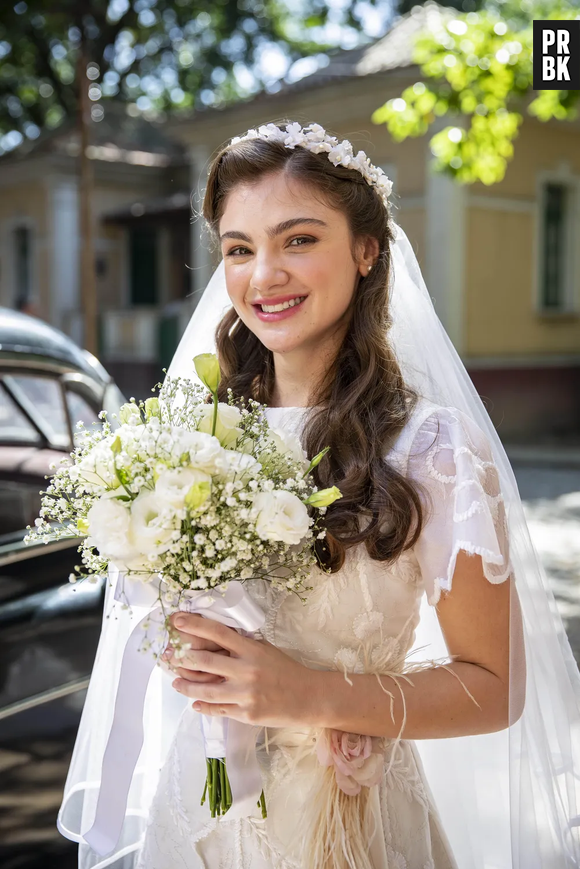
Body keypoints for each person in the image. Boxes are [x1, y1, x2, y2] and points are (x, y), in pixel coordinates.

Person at [59, 121, 580, 869]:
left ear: (368, 250)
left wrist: (309, 693)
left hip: (350, 822)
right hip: (200, 809)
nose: (262, 274)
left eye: (297, 239)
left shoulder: (432, 450)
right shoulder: (192, 434)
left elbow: (494, 689)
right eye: (239, 248)